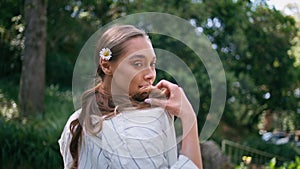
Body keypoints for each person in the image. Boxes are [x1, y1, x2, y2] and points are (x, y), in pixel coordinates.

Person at [58, 24, 203, 169]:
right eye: (138, 64)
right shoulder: (145, 123)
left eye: (152, 64)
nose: (151, 75)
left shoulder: (76, 120)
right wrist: (188, 116)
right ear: (106, 66)